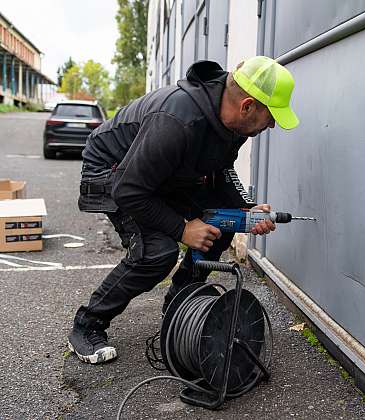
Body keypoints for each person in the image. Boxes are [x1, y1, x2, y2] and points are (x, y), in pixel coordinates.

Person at [68, 56, 299, 364]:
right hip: (114, 173)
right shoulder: (177, 121)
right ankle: (87, 325)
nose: (272, 124)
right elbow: (129, 189)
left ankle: (180, 302)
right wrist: (182, 229)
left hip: (162, 174)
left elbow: (221, 170)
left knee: (219, 223)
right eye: (271, 116)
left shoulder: (235, 125)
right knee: (156, 252)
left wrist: (244, 208)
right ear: (247, 106)